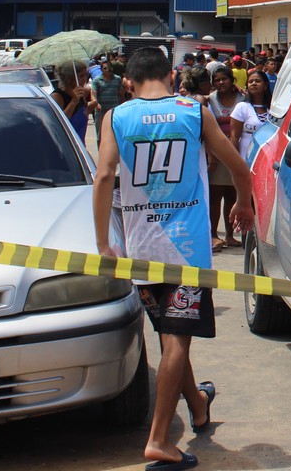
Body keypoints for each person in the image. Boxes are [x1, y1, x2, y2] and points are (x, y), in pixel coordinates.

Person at [92, 47, 254, 471]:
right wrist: (243, 204)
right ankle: (160, 439)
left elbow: (105, 176)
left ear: (128, 82)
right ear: (171, 74)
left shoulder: (116, 117)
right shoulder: (193, 111)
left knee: (168, 336)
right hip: (187, 248)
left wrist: (103, 243)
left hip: (141, 247)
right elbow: (240, 167)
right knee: (176, 341)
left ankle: (198, 406)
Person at [207, 66, 245, 250]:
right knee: (215, 196)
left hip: (236, 154)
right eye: (217, 80)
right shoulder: (209, 100)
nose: (221, 83)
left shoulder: (242, 98)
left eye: (224, 79)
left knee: (232, 195)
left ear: (232, 81)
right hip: (215, 153)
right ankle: (213, 235)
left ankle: (230, 236)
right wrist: (211, 156)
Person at [229, 69, 272, 162]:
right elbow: (234, 137)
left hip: (268, 157)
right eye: (250, 81)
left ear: (265, 85)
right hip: (245, 158)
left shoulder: (273, 109)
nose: (253, 83)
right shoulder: (242, 107)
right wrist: (237, 162)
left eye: (257, 81)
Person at [52, 63, 95, 140]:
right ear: (69, 79)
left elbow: (84, 112)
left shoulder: (82, 93)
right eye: (81, 76)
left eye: (86, 75)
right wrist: (73, 101)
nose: (85, 79)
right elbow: (59, 122)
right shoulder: (57, 96)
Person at [91, 58, 127, 148]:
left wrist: (123, 105)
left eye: (109, 68)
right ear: (101, 70)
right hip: (101, 111)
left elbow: (121, 94)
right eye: (105, 68)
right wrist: (96, 103)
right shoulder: (96, 80)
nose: (108, 70)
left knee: (115, 134)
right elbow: (93, 94)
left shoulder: (117, 79)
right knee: (100, 136)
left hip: (114, 111)